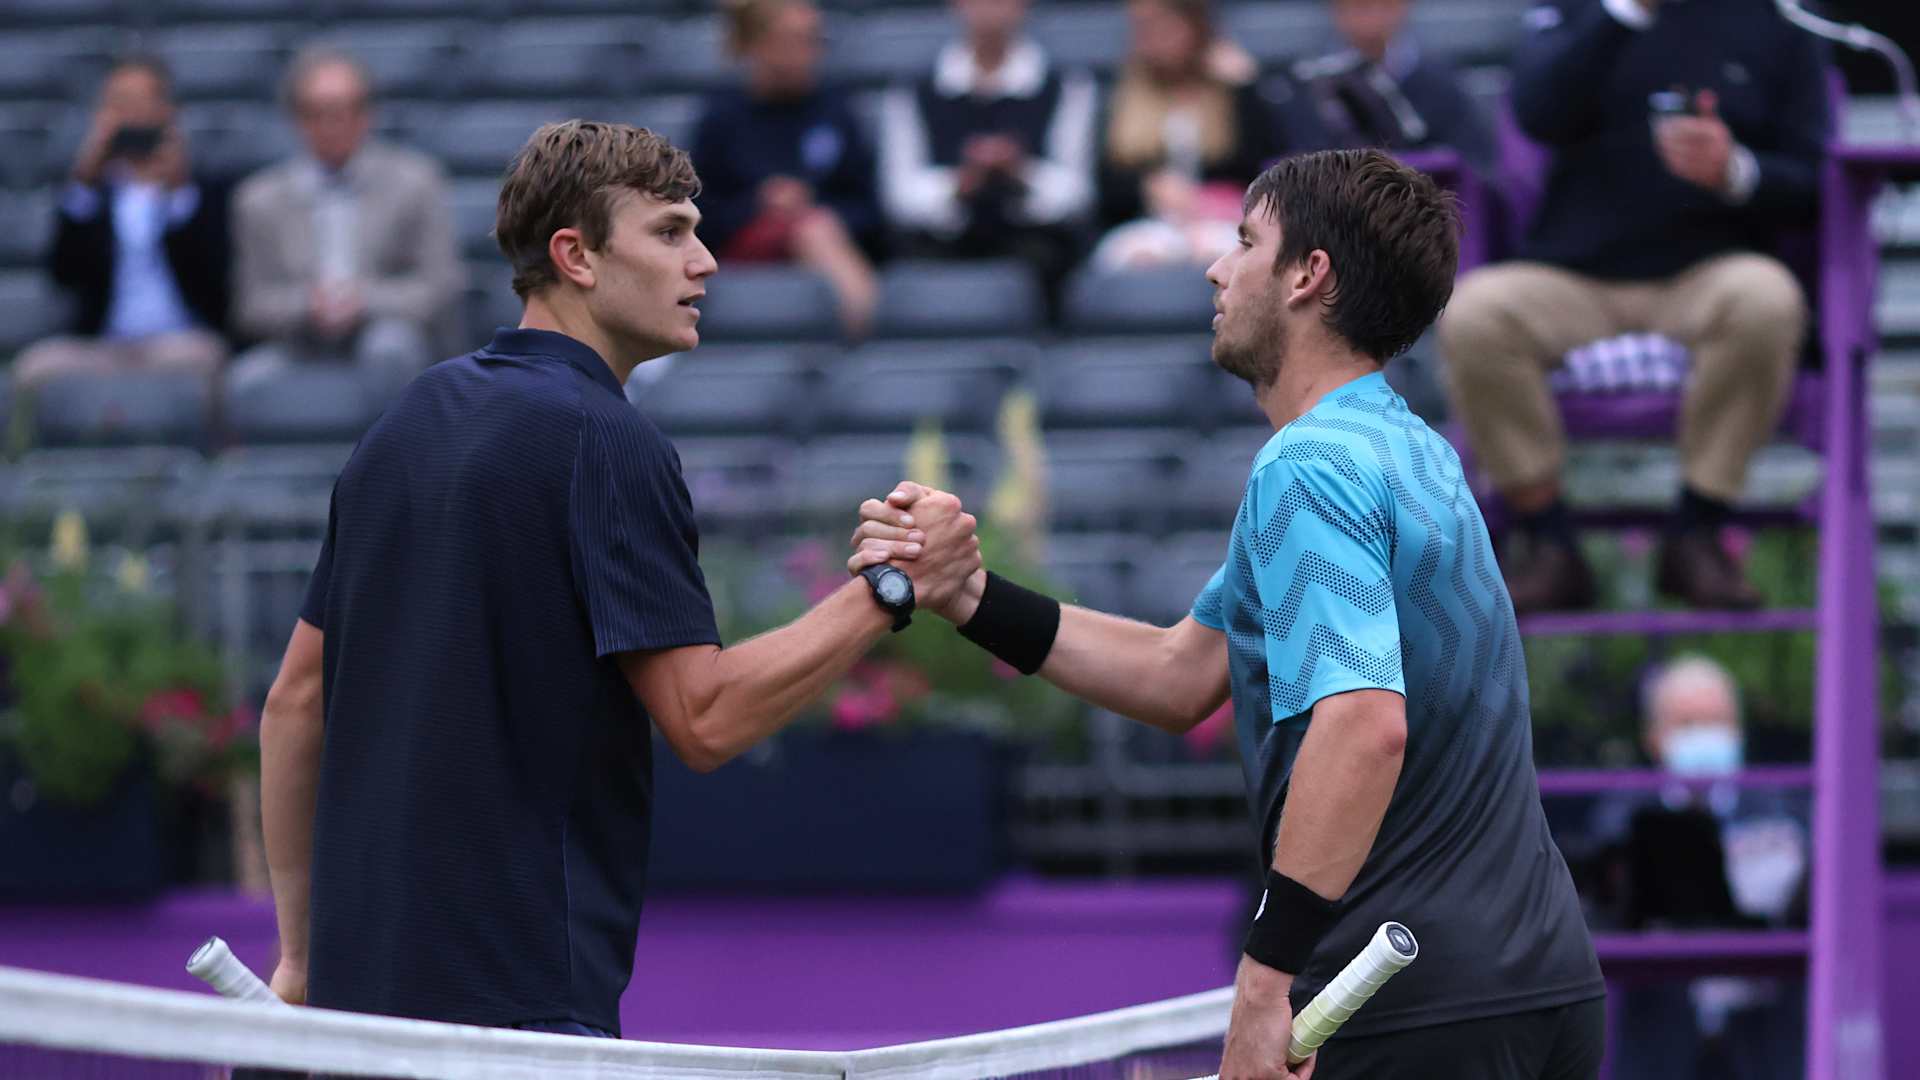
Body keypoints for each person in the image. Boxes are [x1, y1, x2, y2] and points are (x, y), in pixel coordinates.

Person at [855, 150, 1604, 1079]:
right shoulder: (1411, 447)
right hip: (1544, 983)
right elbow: (1178, 674)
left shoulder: (1308, 468)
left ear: (1308, 275)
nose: (1215, 269)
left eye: (1245, 242)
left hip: (1400, 998)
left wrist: (1265, 979)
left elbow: (1364, 723)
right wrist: (969, 595)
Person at [257, 121, 981, 1034]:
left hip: (357, 1016)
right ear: (577, 257)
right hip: (520, 1020)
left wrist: (299, 958)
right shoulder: (607, 438)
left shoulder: (406, 419)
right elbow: (706, 719)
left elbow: (295, 701)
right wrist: (891, 585)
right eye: (671, 233)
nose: (705, 262)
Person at [1435, 0, 1828, 614]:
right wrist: (1622, 14)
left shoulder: (1781, 18)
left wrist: (1736, 171)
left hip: (1708, 273)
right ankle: (1551, 543)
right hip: (1574, 277)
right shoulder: (1574, 11)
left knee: (1767, 300)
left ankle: (1697, 532)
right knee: (1475, 314)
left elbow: (1817, 178)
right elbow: (1537, 112)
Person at [1597, 655, 1807, 1080]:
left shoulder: (1785, 814)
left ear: (1739, 731)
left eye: (1717, 721)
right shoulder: (1622, 817)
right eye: (1688, 724)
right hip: (1659, 1053)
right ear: (1654, 737)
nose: (1705, 736)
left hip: (1764, 1055)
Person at [229, 47, 462, 401]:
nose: (331, 125)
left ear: (366, 114)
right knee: (245, 382)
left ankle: (397, 440)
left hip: (386, 330)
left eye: (342, 111)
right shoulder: (259, 199)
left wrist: (363, 300)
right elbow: (252, 304)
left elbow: (439, 286)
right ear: (297, 119)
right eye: (316, 113)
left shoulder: (415, 182)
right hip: (301, 339)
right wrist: (309, 305)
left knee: (389, 348)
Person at [18, 55, 229, 391]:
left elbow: (216, 285)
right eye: (119, 103)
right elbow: (63, 274)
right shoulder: (90, 196)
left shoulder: (203, 189)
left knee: (206, 359)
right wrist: (84, 184)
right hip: (102, 344)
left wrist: (179, 194)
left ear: (168, 111)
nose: (131, 114)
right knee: (35, 369)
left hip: (180, 341)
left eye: (141, 102)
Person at [879, 0, 1098, 295]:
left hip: (1037, 251)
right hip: (938, 247)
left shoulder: (1068, 86)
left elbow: (1077, 193)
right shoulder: (912, 91)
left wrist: (1020, 171)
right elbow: (900, 198)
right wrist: (961, 183)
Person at [691, 0, 881, 337]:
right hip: (738, 255)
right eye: (792, 40)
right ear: (756, 45)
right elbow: (698, 214)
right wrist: (759, 205)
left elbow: (871, 212)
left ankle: (858, 328)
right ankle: (862, 333)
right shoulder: (720, 118)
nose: (808, 52)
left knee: (815, 227)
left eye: (813, 39)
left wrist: (813, 208)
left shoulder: (837, 111)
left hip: (828, 242)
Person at [1090, 0, 1286, 270]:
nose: (1153, 39)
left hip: (1223, 219)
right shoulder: (1122, 95)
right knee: (1137, 256)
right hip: (1146, 222)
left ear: (1195, 28)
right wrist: (1147, 187)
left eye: (1165, 27)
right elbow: (1106, 188)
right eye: (1143, 29)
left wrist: (1248, 86)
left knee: (1224, 255)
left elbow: (1262, 166)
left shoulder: (1233, 91)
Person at [1276, 0, 1494, 174]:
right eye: (1360, 6)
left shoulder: (1441, 83)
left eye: (1386, 5)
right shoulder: (1306, 85)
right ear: (1335, 9)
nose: (1373, 18)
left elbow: (1473, 165)